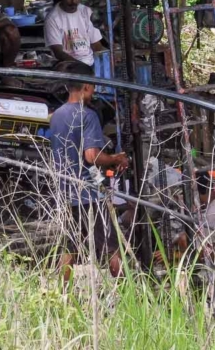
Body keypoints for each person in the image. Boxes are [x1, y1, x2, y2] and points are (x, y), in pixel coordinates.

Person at [49, 61, 128, 281]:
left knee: (69, 249)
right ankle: (130, 294)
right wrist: (115, 158)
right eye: (92, 87)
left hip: (65, 193)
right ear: (85, 86)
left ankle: (62, 296)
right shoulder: (87, 115)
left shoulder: (56, 116)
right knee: (112, 247)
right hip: (88, 195)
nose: (93, 92)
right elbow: (91, 156)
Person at [44, 0, 105, 66]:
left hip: (90, 64)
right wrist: (82, 68)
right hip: (67, 67)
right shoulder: (52, 18)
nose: (74, 1)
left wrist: (108, 58)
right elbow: (59, 53)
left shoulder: (86, 12)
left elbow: (96, 45)